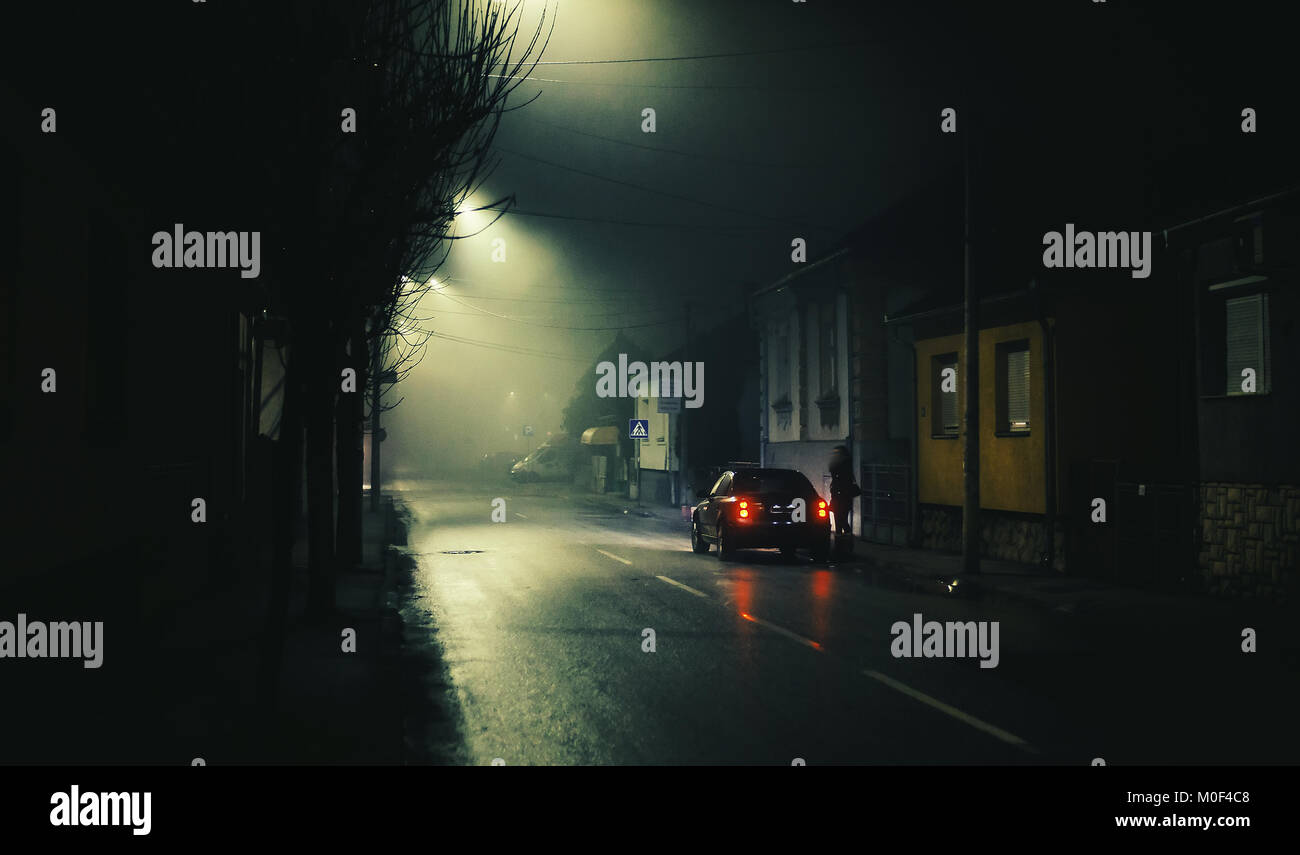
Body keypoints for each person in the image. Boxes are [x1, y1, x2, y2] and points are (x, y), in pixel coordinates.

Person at [828, 445, 860, 557]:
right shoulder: (841, 464)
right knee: (840, 520)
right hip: (839, 496)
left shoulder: (844, 464)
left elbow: (841, 479)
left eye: (837, 453)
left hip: (842, 497)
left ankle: (844, 545)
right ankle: (842, 545)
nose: (835, 455)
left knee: (841, 520)